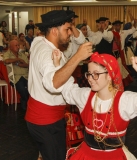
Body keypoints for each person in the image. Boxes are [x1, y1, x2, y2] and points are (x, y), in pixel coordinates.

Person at [52, 51, 137, 160]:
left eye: (96, 74)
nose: (90, 79)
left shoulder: (125, 101)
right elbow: (66, 89)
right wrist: (57, 65)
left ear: (109, 75)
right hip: (86, 155)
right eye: (89, 74)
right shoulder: (85, 96)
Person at [24, 10, 92, 160]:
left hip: (45, 118)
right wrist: (78, 56)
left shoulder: (40, 42)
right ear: (54, 31)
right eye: (67, 29)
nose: (70, 33)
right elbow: (53, 83)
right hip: (45, 121)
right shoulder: (45, 51)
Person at [3, 40, 29, 110]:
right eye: (16, 45)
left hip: (26, 76)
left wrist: (20, 63)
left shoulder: (22, 54)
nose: (18, 47)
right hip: (16, 77)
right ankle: (26, 102)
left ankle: (25, 101)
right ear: (11, 47)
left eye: (18, 45)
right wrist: (17, 59)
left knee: (32, 88)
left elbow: (27, 64)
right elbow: (6, 61)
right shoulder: (7, 54)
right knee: (23, 89)